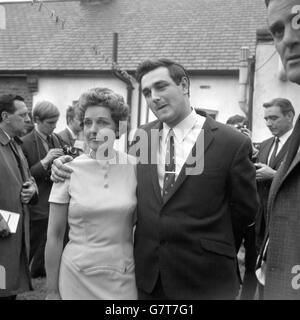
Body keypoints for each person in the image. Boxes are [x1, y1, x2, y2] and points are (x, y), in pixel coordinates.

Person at [52, 59, 258, 300]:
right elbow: (104, 163)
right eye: (147, 92)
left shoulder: (230, 142)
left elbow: (244, 211)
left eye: (161, 87)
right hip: (149, 277)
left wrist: (209, 244)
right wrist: (64, 163)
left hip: (206, 277)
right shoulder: (141, 138)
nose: (154, 97)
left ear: (183, 85)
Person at [45, 87, 137, 300]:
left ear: (118, 127)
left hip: (123, 274)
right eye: (87, 122)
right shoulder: (67, 170)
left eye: (103, 122)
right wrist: (51, 291)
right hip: (76, 275)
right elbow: (54, 236)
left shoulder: (136, 168)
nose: (93, 130)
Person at [257, 0, 300, 299]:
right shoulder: (262, 146)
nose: (287, 38)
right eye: (276, 30)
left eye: (298, 21)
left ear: (289, 117)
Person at [0, 94, 38, 299]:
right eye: (22, 115)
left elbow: (29, 177)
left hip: (14, 231)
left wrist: (32, 189)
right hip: (3, 229)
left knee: (8, 290)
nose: (28, 119)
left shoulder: (16, 144)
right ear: (6, 116)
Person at [21, 101, 65, 278]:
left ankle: (37, 271)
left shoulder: (55, 139)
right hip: (36, 203)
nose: (54, 127)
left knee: (47, 241)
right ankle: (19, 274)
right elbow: (26, 175)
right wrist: (46, 161)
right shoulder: (24, 143)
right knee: (32, 243)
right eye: (50, 123)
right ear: (37, 120)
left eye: (56, 122)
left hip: (53, 199)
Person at [255, 98, 294, 252]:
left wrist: (274, 175)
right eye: (266, 119)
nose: (268, 124)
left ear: (289, 116)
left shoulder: (297, 145)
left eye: (274, 118)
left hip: (288, 223)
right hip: (261, 223)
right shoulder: (264, 145)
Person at [226, 115, 258, 300]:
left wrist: (251, 148)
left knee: (252, 261)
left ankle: (246, 296)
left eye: (239, 128)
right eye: (232, 128)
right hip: (231, 214)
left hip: (252, 215)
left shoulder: (254, 148)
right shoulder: (223, 148)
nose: (236, 132)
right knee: (229, 256)